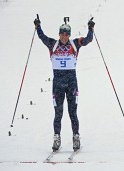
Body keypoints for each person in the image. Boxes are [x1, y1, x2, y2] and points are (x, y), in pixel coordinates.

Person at [34, 17, 95, 152]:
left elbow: (87, 40)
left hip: (72, 83)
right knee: (58, 113)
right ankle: (57, 138)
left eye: (67, 34)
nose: (64, 36)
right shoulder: (53, 44)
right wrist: (38, 26)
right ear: (59, 34)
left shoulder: (74, 44)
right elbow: (42, 37)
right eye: (62, 33)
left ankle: (76, 137)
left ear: (69, 35)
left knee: (73, 112)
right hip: (57, 84)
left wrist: (90, 29)